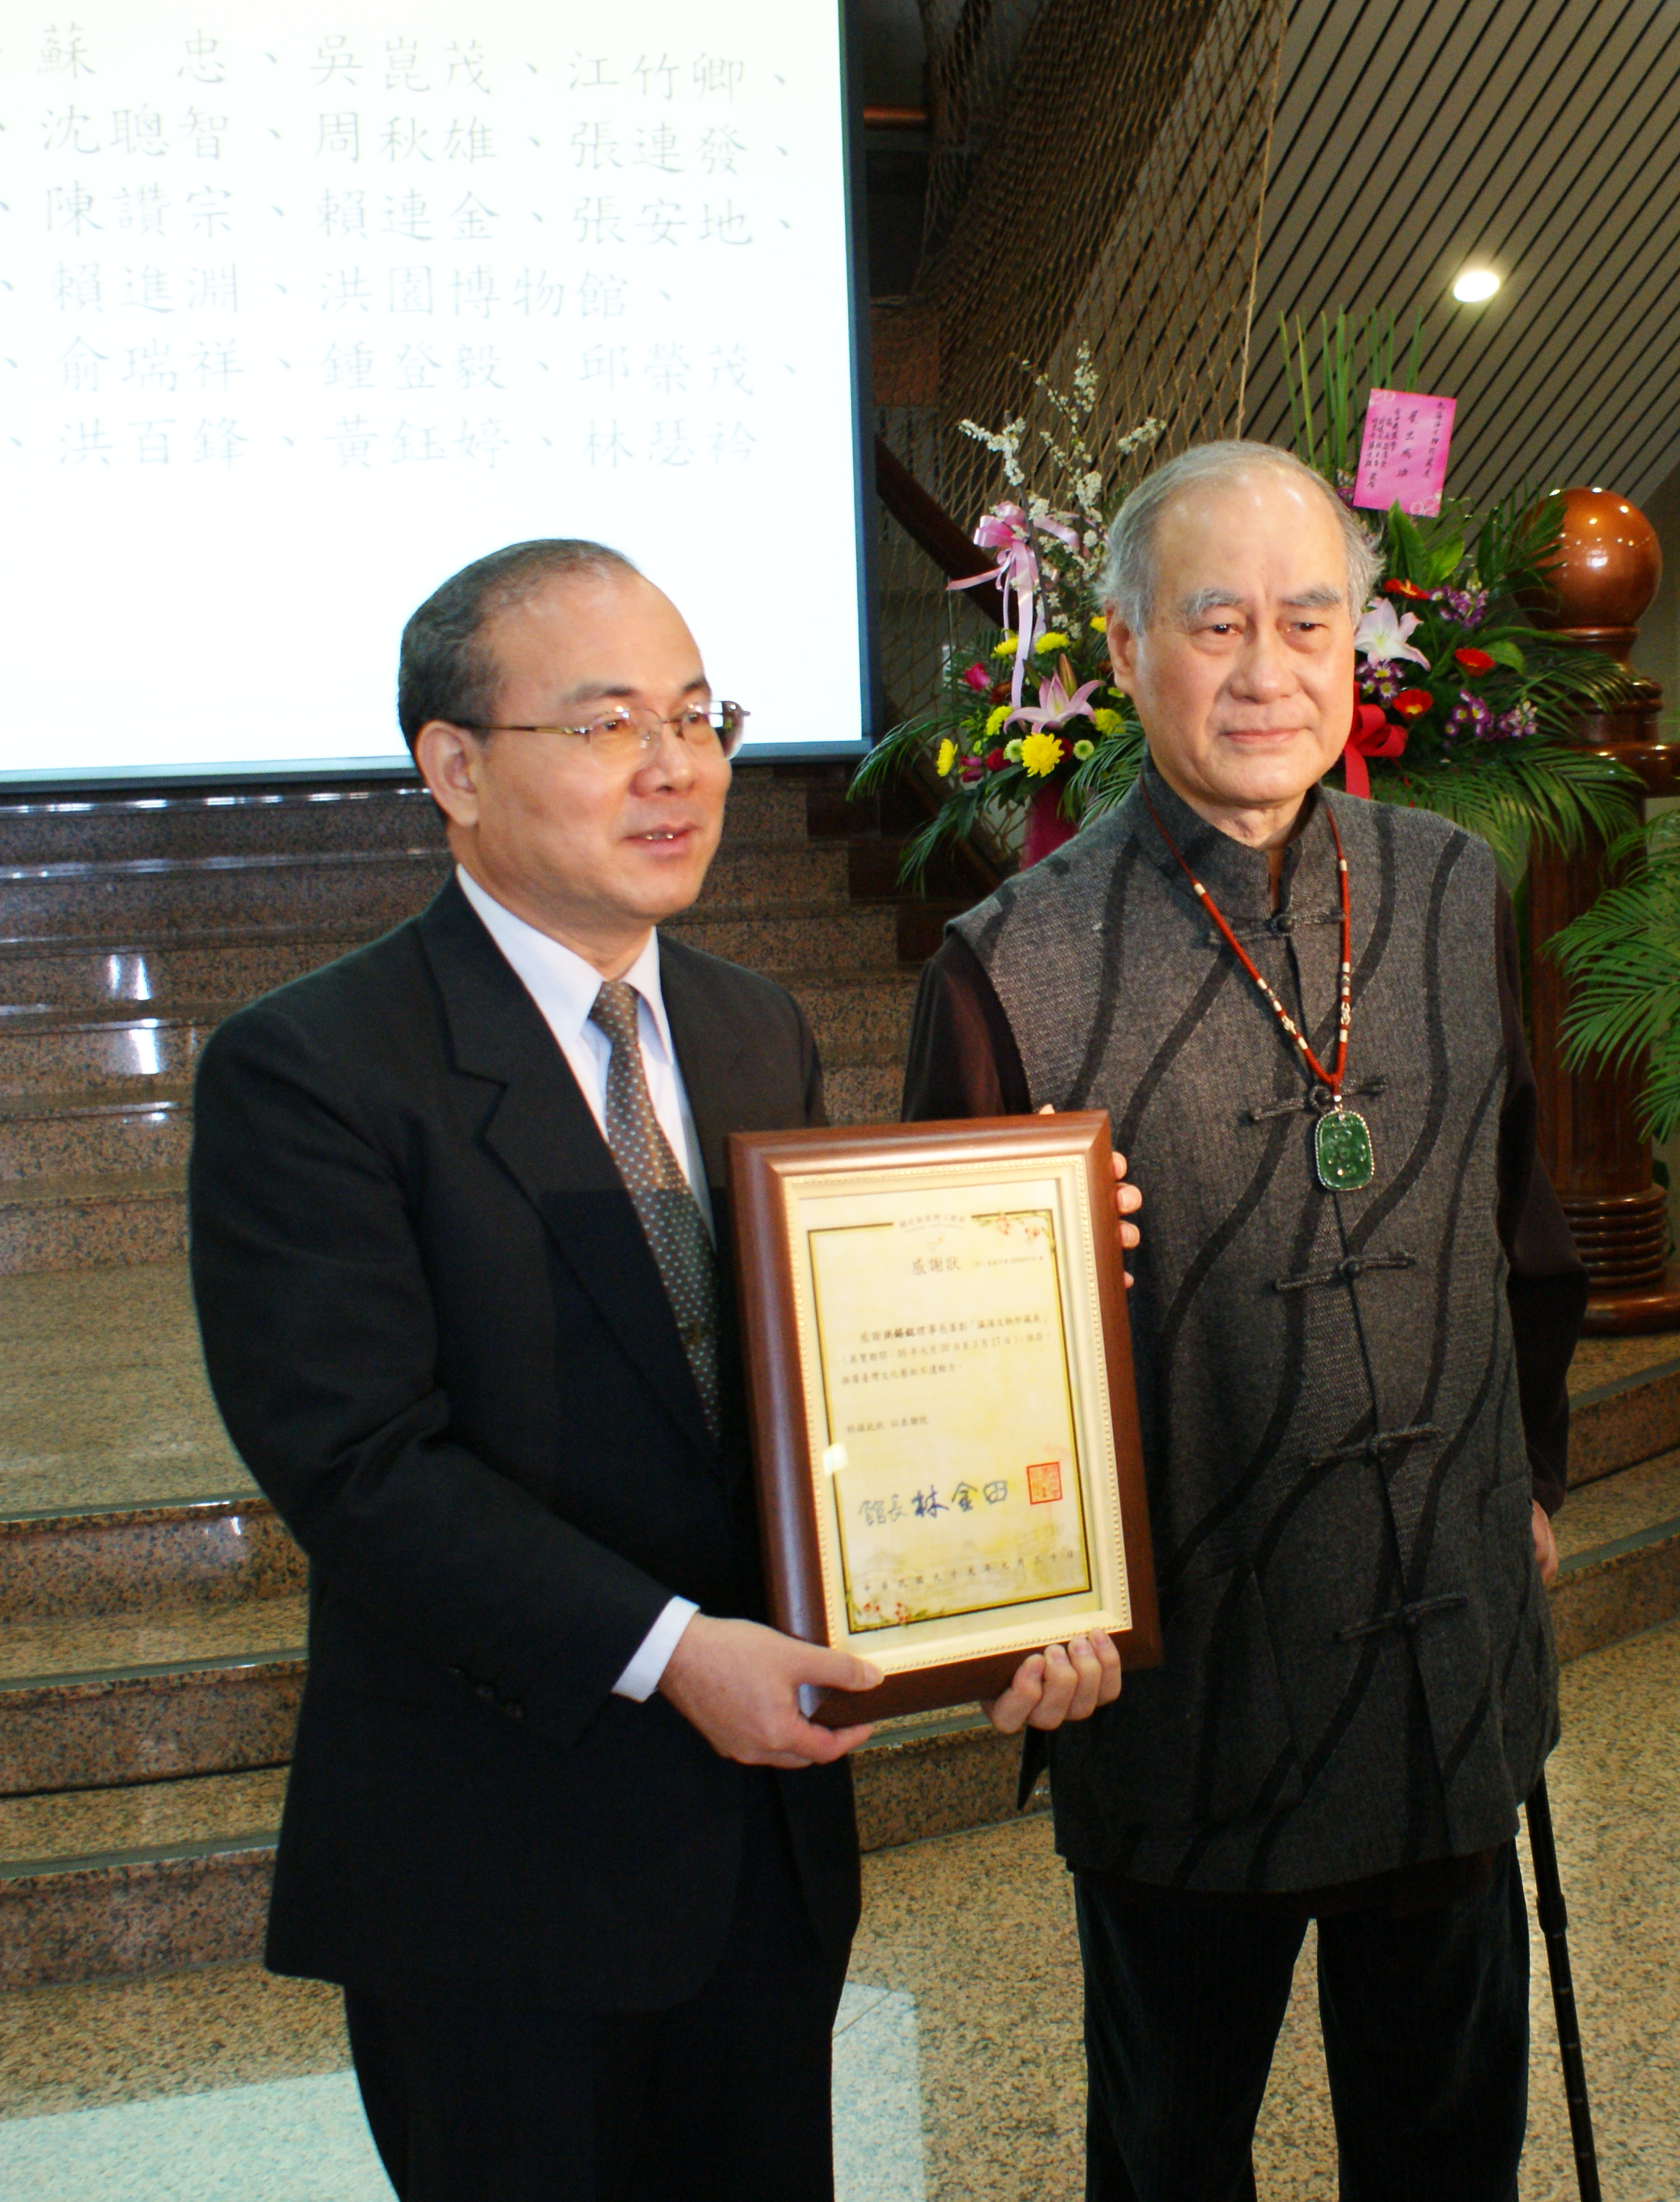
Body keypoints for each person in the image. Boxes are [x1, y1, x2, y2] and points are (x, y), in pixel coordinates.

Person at [187, 538, 1124, 2202]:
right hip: (500, 1868)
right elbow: (358, 1467)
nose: (677, 765)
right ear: (454, 768)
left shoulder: (752, 1022)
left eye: (699, 715)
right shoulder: (315, 1067)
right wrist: (671, 1652)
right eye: (611, 723)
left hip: (763, 1857)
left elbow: (826, 1396)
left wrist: (992, 1581)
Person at [901, 445, 1589, 2201]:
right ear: (1125, 650)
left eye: (1309, 618)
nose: (1268, 668)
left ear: (1362, 640)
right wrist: (1014, 1617)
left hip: (1443, 1651)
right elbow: (955, 1352)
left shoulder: (1445, 885)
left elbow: (1518, 1221)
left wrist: (1533, 1479)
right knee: (1173, 2144)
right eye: (1216, 623)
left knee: (1448, 2144)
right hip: (1185, 1681)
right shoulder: (1010, 961)